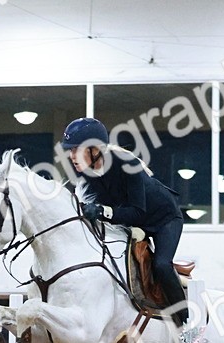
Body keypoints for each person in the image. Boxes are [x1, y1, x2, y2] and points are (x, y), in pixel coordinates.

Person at [60, 117, 189, 328]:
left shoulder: (128, 165)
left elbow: (138, 213)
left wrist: (102, 211)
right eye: (70, 150)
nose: (71, 156)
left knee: (162, 265)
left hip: (164, 219)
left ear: (94, 150)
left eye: (76, 149)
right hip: (131, 224)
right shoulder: (84, 173)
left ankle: (187, 323)